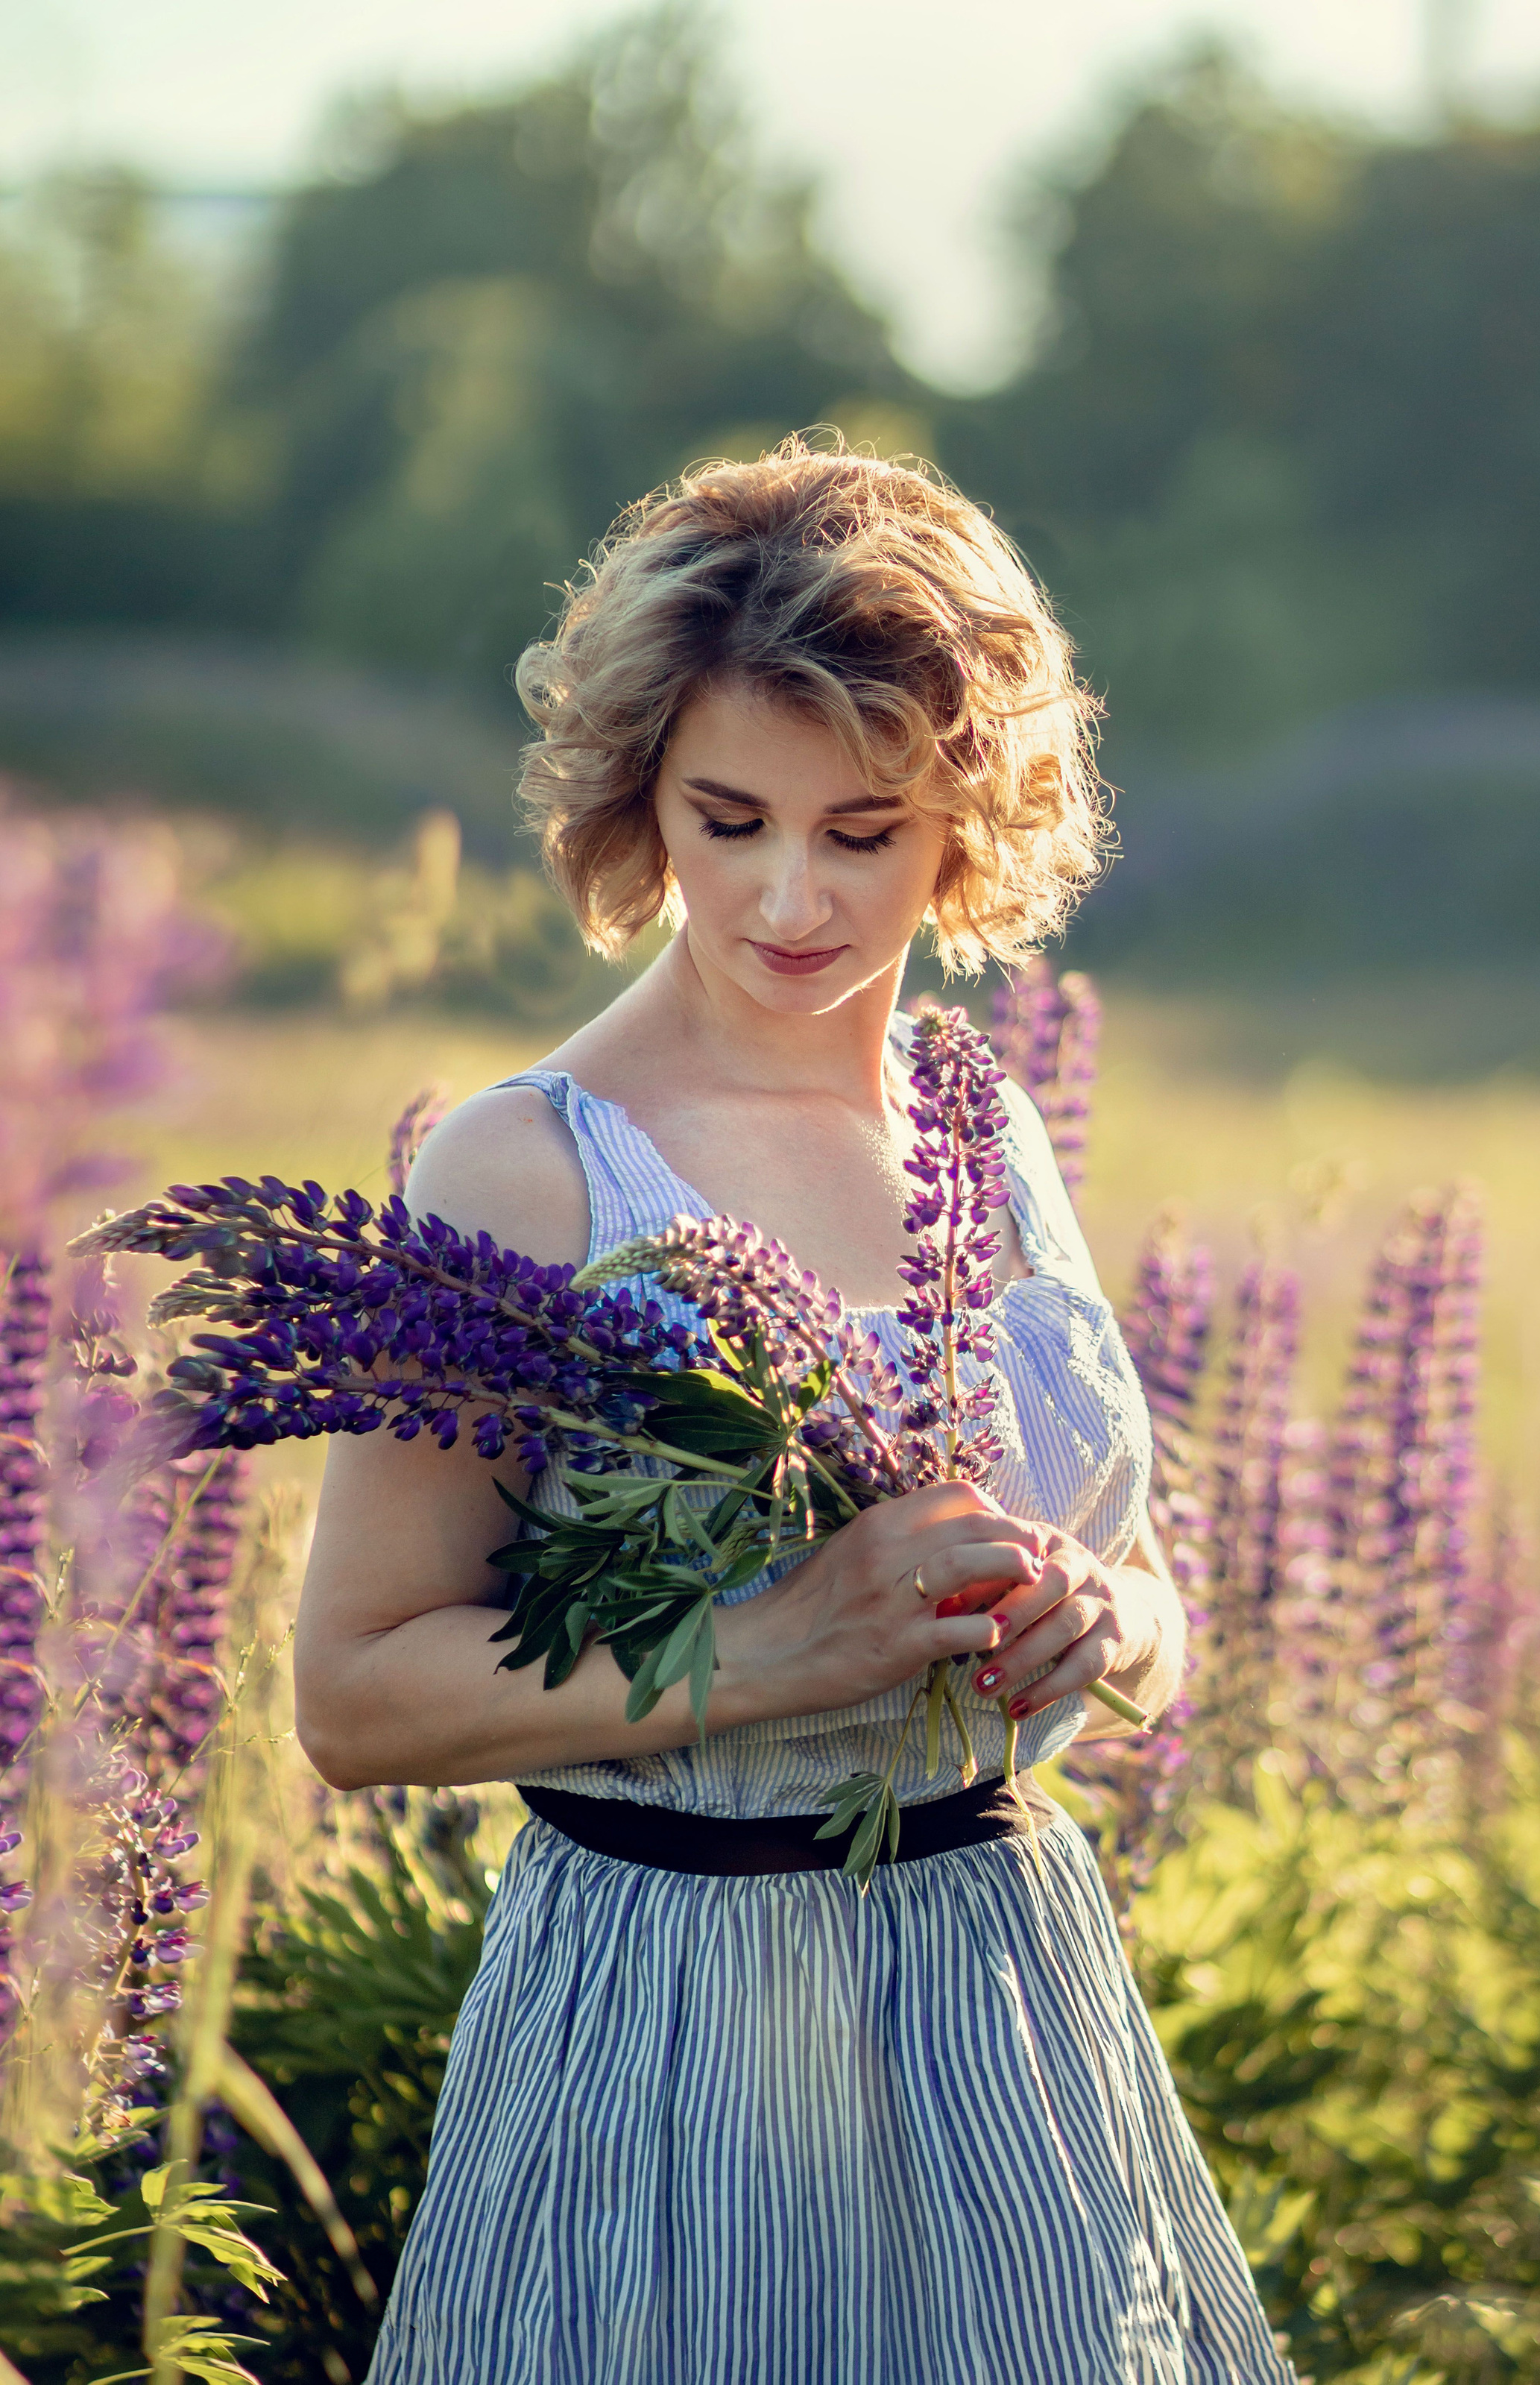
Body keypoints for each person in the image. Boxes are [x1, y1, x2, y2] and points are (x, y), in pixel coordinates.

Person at [297, 439, 1293, 2385]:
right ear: (639, 794)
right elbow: (353, 1697)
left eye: (862, 830)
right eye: (728, 815)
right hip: (676, 2032)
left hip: (1010, 2024)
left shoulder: (980, 1120)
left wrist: (1115, 1623)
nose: (785, 895)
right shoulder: (522, 1175)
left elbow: (1154, 1593)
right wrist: (775, 1652)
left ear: (965, 824)